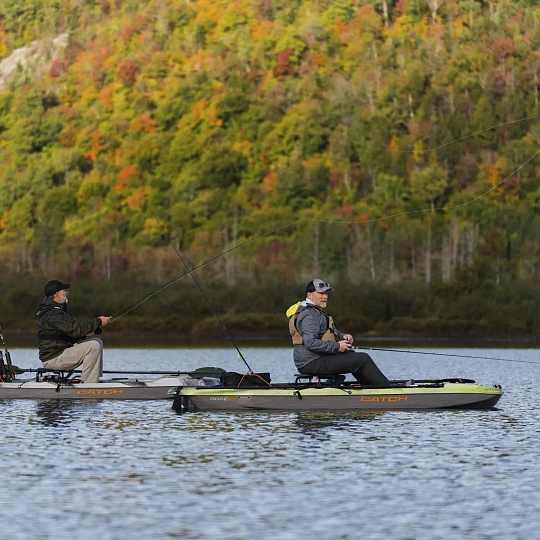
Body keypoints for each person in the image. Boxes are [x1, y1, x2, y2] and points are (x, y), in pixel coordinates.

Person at [286, 278, 390, 386]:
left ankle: (371, 388)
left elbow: (326, 330)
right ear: (310, 295)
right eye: (321, 293)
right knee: (362, 359)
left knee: (352, 355)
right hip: (311, 362)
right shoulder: (309, 315)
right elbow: (310, 342)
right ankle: (387, 389)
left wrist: (343, 336)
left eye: (326, 293)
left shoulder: (315, 311)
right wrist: (337, 346)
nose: (325, 297)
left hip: (316, 359)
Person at [37, 280, 111, 383]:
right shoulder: (53, 313)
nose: (67, 292)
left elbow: (69, 332)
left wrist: (84, 334)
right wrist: (98, 321)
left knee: (98, 342)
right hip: (54, 358)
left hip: (59, 353)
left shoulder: (56, 311)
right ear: (57, 294)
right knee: (94, 346)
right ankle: (88, 384)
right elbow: (75, 329)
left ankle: (93, 379)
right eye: (64, 290)